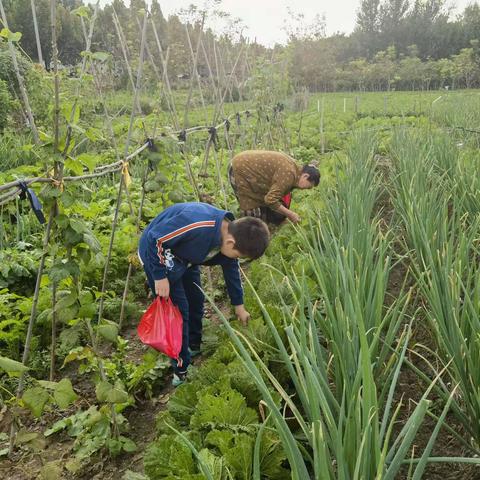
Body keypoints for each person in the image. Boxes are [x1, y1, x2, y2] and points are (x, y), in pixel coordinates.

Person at [138, 202, 270, 386]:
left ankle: (193, 345)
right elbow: (155, 239)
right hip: (158, 255)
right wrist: (159, 276)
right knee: (178, 313)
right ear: (231, 243)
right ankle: (181, 370)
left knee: (196, 298)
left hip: (185, 256)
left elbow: (231, 269)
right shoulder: (198, 224)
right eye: (238, 255)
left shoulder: (229, 235)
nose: (236, 260)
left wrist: (239, 306)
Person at [228, 150, 320, 225]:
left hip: (246, 166)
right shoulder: (289, 174)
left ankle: (259, 232)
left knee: (259, 210)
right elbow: (270, 200)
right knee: (251, 210)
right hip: (240, 168)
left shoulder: (295, 170)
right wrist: (290, 214)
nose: (305, 189)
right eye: (308, 187)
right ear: (305, 176)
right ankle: (244, 237)